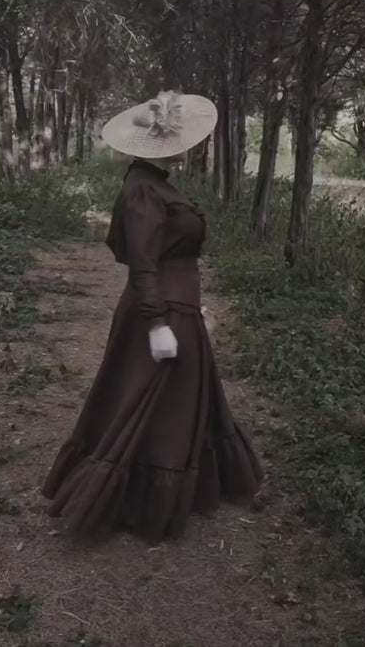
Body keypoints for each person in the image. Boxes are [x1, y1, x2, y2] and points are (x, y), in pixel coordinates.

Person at [42, 91, 262, 542]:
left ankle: (173, 489)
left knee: (176, 405)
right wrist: (158, 322)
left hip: (177, 306)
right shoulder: (143, 187)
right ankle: (137, 500)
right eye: (180, 137)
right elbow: (142, 262)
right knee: (152, 404)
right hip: (161, 310)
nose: (190, 144)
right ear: (162, 143)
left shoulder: (157, 181)